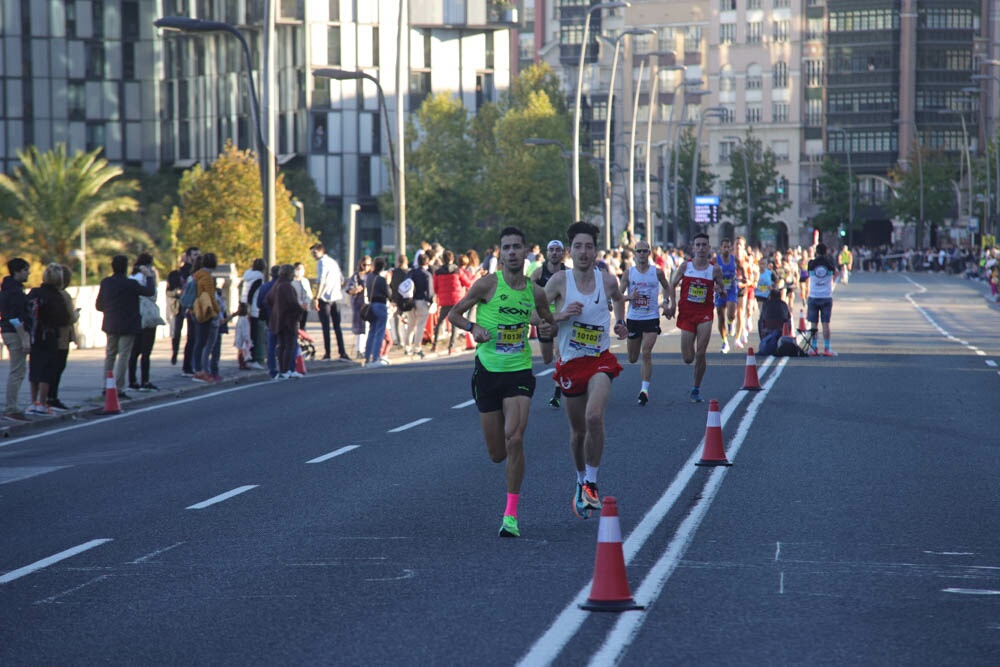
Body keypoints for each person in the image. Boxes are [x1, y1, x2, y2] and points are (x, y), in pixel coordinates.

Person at [447, 226, 555, 538]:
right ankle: (510, 464)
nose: (511, 252)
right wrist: (473, 327)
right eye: (506, 248)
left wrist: (550, 326)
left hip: (519, 370)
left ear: (525, 253)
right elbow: (453, 314)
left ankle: (510, 515)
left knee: (515, 438)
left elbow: (546, 318)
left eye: (516, 247)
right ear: (500, 253)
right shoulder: (486, 285)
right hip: (487, 371)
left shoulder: (535, 292)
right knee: (497, 453)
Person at [542, 221, 628, 519]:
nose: (583, 251)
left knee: (594, 416)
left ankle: (592, 481)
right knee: (578, 433)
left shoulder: (607, 280)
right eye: (577, 246)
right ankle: (580, 482)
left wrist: (620, 322)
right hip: (570, 363)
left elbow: (618, 299)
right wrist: (560, 314)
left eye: (588, 246)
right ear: (570, 251)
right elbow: (534, 312)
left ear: (595, 251)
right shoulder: (558, 282)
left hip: (599, 359)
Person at [664, 233, 726, 404]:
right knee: (688, 358)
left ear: (709, 248)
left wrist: (720, 291)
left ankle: (696, 388)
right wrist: (672, 304)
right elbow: (672, 285)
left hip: (705, 313)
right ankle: (694, 378)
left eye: (704, 245)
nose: (700, 248)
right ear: (693, 248)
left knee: (700, 353)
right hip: (686, 314)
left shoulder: (714, 269)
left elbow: (722, 289)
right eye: (697, 245)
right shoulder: (685, 266)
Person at [96, 254, 156, 398]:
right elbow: (150, 291)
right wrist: (149, 276)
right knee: (123, 355)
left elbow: (99, 305)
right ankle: (119, 387)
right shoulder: (131, 284)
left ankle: (106, 385)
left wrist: (109, 310)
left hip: (110, 323)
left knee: (110, 355)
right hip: (127, 324)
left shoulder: (106, 283)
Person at [620, 239, 671, 406]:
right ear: (634, 254)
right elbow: (618, 296)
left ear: (649, 253)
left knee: (646, 351)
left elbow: (666, 286)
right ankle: (643, 387)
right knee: (633, 358)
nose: (642, 254)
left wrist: (666, 301)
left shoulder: (657, 272)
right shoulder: (629, 273)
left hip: (651, 317)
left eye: (644, 251)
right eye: (639, 251)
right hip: (634, 318)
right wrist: (629, 297)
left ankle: (644, 390)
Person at [24, 264, 71, 415]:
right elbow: (64, 319)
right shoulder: (56, 296)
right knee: (47, 371)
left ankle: (33, 402)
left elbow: (26, 311)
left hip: (34, 335)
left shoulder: (34, 292)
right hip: (49, 335)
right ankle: (43, 403)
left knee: (34, 370)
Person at [529, 239, 567, 407]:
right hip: (543, 319)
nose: (554, 253)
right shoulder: (538, 273)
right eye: (551, 250)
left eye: (557, 250)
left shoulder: (569, 273)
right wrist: (534, 317)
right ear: (546, 253)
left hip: (562, 319)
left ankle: (557, 392)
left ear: (563, 253)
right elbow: (527, 296)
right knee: (547, 358)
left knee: (559, 353)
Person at [0, 258, 32, 421]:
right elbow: (16, 318)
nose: (29, 273)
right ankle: (12, 407)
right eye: (26, 270)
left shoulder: (7, 289)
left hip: (8, 331)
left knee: (18, 370)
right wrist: (24, 338)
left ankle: (12, 406)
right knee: (17, 371)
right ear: (17, 271)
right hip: (14, 332)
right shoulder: (15, 293)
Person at [46, 265, 78, 412]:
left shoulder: (42, 293)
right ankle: (52, 397)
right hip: (61, 336)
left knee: (47, 368)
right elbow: (70, 317)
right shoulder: (64, 295)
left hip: (45, 335)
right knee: (57, 367)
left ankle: (44, 397)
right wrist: (76, 316)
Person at [127, 252, 162, 391]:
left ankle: (132, 381)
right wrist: (151, 276)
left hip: (135, 316)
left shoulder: (132, 277)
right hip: (147, 317)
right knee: (146, 351)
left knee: (134, 351)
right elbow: (153, 294)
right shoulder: (147, 277)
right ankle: (145, 381)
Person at [310, 243, 350, 361]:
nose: (313, 255)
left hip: (325, 298)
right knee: (337, 326)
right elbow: (342, 280)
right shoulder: (333, 262)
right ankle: (342, 352)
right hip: (336, 297)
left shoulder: (321, 262)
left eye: (314, 252)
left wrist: (316, 297)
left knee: (325, 326)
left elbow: (321, 281)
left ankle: (327, 353)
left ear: (320, 251)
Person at [266, 264, 305, 379]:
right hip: (288, 320)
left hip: (279, 319)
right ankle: (286, 369)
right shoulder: (286, 286)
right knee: (289, 346)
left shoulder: (277, 284)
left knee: (282, 345)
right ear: (289, 274)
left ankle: (284, 369)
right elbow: (293, 303)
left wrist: (276, 309)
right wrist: (300, 311)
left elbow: (268, 299)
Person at [190, 252, 221, 382]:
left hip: (196, 310)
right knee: (204, 343)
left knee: (199, 342)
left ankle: (198, 369)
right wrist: (217, 311)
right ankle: (200, 371)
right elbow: (210, 296)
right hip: (205, 311)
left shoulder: (197, 275)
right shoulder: (207, 277)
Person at [166, 247, 198, 368]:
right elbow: (169, 291)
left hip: (192, 307)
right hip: (179, 306)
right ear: (188, 256)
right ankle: (175, 353)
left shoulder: (197, 274)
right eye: (195, 255)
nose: (196, 258)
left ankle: (188, 363)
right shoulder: (176, 274)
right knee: (177, 332)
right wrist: (177, 292)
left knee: (192, 336)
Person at [806, 243, 839, 356]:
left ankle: (814, 348)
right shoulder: (829, 264)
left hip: (814, 295)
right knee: (826, 324)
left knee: (813, 325)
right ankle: (827, 348)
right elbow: (835, 273)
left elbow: (808, 274)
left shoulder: (811, 264)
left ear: (816, 252)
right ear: (826, 252)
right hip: (826, 296)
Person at [432, 250, 466, 354]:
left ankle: (435, 345)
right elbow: (466, 282)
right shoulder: (457, 270)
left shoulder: (438, 272)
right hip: (456, 300)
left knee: (440, 322)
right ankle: (451, 347)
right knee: (454, 324)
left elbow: (435, 288)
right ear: (452, 259)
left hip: (444, 301)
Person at [403, 253, 434, 358]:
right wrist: (430, 301)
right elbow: (430, 292)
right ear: (427, 262)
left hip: (411, 301)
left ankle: (407, 347)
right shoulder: (427, 275)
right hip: (422, 302)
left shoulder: (411, 272)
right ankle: (417, 348)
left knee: (410, 325)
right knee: (420, 326)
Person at [239, 257, 267, 369]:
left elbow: (245, 291)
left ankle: (244, 359)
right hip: (253, 308)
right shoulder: (259, 277)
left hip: (244, 306)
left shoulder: (247, 276)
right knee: (253, 335)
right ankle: (253, 359)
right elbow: (253, 292)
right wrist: (251, 306)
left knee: (244, 334)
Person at [364, 257, 391, 367]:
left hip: (371, 305)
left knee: (371, 332)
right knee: (380, 333)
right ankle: (375, 357)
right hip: (381, 305)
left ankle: (367, 357)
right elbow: (388, 294)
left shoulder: (369, 277)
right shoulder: (381, 280)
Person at [713, 238, 739, 354]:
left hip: (731, 290)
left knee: (731, 314)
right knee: (720, 317)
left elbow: (743, 270)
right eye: (724, 247)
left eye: (728, 247)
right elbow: (710, 273)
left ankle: (731, 322)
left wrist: (744, 277)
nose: (726, 249)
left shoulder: (734, 259)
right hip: (720, 291)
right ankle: (724, 342)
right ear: (721, 248)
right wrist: (714, 285)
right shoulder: (716, 260)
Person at [256, 265, 282, 377]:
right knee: (284, 345)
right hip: (282, 319)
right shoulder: (283, 286)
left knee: (271, 345)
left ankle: (272, 369)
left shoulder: (265, 287)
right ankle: (284, 368)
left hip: (269, 318)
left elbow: (258, 303)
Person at [346, 257, 371, 359]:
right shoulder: (356, 276)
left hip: (370, 304)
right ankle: (359, 350)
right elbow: (349, 289)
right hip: (358, 304)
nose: (366, 267)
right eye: (364, 265)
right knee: (360, 328)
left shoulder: (371, 276)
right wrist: (355, 290)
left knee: (369, 328)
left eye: (368, 265)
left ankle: (367, 349)